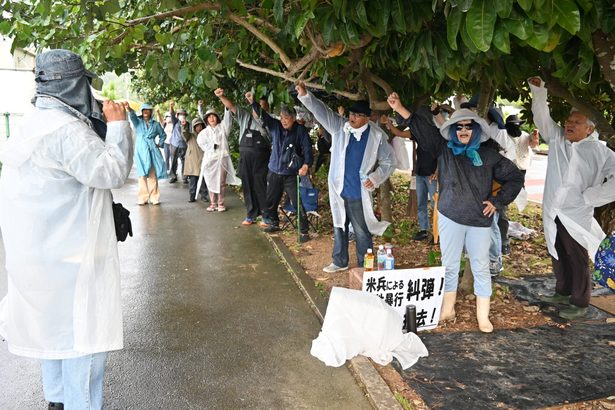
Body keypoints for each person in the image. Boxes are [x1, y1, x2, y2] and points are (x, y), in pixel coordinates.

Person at [0, 49, 134, 409]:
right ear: (74, 85)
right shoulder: (66, 130)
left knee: (55, 335)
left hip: (43, 257)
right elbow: (111, 172)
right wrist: (119, 125)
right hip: (71, 258)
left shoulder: (31, 125)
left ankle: (56, 402)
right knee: (83, 341)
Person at [388, 93, 524, 333]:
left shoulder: (489, 154)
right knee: (449, 265)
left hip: (479, 221)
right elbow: (424, 131)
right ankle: (447, 309)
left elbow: (514, 177)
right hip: (450, 216)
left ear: (476, 131)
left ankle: (483, 317)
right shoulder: (444, 150)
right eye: (458, 127)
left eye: (468, 127)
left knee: (481, 267)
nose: (463, 130)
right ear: (452, 130)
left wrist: (497, 201)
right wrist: (400, 107)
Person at [528, 76, 615, 319]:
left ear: (590, 128)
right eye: (568, 120)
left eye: (576, 122)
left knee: (577, 257)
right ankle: (562, 291)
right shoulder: (558, 141)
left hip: (576, 215)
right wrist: (539, 91)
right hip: (552, 210)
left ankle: (579, 302)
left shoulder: (601, 152)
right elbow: (542, 119)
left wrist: (592, 197)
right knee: (556, 251)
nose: (569, 124)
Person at [297, 84, 396, 271]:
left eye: (357, 116)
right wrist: (305, 95)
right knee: (339, 226)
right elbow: (323, 112)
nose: (352, 118)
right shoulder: (340, 129)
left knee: (361, 230)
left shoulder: (376, 136)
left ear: (367, 118)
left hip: (358, 192)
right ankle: (339, 261)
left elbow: (390, 161)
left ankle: (364, 264)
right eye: (351, 114)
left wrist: (375, 178)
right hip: (339, 189)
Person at [248, 91, 313, 242]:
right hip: (274, 170)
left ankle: (304, 232)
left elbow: (308, 149)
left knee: (297, 202)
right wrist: (253, 102)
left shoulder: (300, 131)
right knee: (270, 200)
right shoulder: (275, 125)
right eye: (282, 117)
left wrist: (306, 165)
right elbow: (263, 115)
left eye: (287, 118)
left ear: (294, 118)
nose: (284, 121)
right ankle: (274, 222)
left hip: (290, 173)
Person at [216, 89, 271, 225]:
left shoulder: (270, 121)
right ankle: (251, 214)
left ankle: (266, 215)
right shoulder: (245, 117)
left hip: (261, 157)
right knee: (247, 185)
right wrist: (221, 96)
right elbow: (231, 106)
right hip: (245, 156)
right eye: (258, 105)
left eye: (262, 107)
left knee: (260, 184)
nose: (258, 109)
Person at [197, 89, 241, 212]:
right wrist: (212, 146)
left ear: (217, 117)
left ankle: (221, 203)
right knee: (210, 181)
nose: (211, 118)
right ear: (206, 119)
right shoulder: (204, 132)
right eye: (209, 117)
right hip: (210, 159)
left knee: (221, 181)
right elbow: (201, 143)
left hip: (222, 158)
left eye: (213, 116)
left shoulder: (223, 128)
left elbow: (228, 116)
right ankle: (213, 202)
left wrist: (223, 98)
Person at [129, 102, 167, 205]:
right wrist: (129, 109)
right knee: (142, 175)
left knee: (152, 175)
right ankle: (143, 198)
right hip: (141, 150)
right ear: (142, 112)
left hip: (152, 150)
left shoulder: (156, 124)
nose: (146, 111)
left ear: (150, 112)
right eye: (144, 110)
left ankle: (154, 197)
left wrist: (160, 143)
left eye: (148, 110)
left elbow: (163, 135)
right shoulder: (138, 122)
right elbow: (132, 116)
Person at [183, 116, 208, 203]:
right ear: (194, 127)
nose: (199, 127)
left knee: (203, 180)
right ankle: (192, 196)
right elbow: (184, 133)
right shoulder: (190, 136)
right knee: (193, 180)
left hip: (203, 160)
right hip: (192, 161)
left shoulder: (205, 135)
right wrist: (184, 125)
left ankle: (204, 195)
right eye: (197, 126)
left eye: (200, 125)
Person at [168, 103, 189, 183]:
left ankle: (185, 177)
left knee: (184, 161)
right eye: (180, 114)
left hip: (184, 145)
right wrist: (171, 106)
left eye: (183, 114)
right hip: (174, 143)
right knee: (173, 160)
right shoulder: (175, 121)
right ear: (178, 115)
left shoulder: (188, 124)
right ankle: (173, 176)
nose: (182, 116)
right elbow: (172, 114)